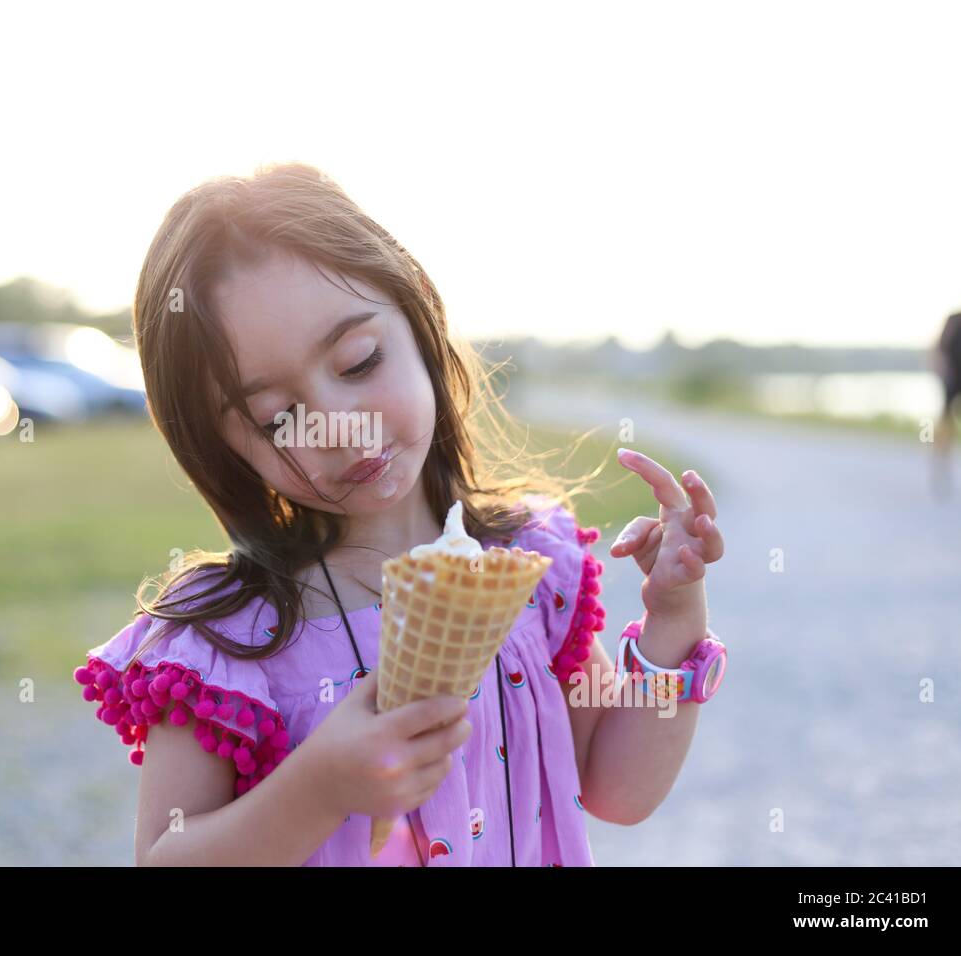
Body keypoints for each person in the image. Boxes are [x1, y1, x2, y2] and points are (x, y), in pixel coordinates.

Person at [73, 163, 727, 866]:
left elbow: (618, 788)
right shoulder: (226, 642)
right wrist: (318, 788)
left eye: (358, 362)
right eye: (278, 418)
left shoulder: (526, 572)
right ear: (222, 443)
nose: (338, 426)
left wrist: (672, 619)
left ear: (415, 312)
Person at [930, 293, 961, 497]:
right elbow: (938, 349)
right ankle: (941, 467)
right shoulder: (956, 319)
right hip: (952, 379)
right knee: (946, 425)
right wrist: (941, 370)